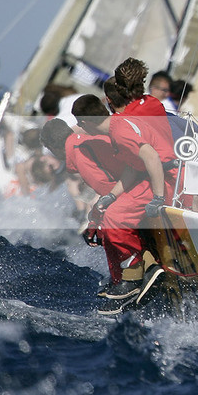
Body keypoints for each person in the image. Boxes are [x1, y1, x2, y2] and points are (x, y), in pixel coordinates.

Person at [72, 95, 175, 311]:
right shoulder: (118, 124)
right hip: (153, 176)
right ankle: (127, 275)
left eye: (79, 122)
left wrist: (158, 197)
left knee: (115, 217)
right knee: (108, 211)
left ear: (85, 122)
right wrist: (112, 194)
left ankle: (134, 273)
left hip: (165, 179)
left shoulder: (119, 132)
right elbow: (134, 165)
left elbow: (151, 158)